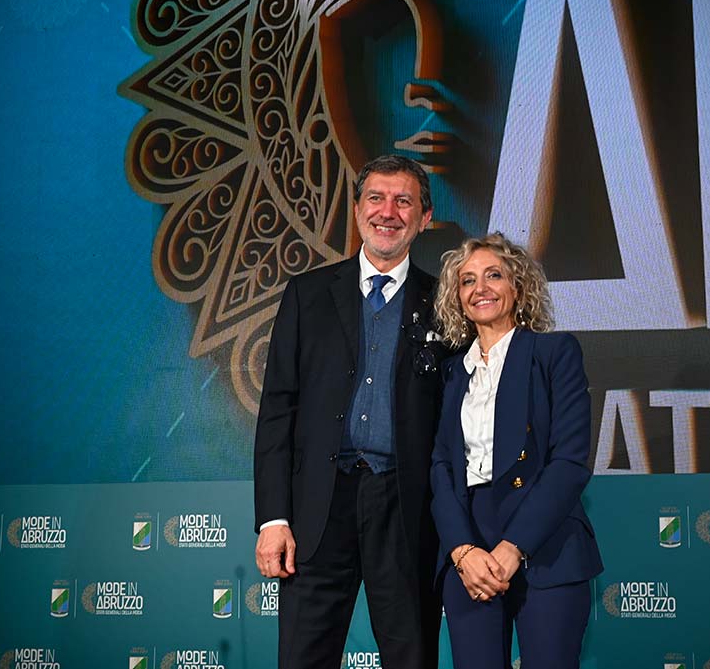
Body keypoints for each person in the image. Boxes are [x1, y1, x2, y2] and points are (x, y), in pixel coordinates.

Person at [253, 155, 446, 669]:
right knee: (303, 658)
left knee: (412, 657)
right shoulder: (307, 294)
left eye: (404, 201)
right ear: (357, 209)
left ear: (424, 218)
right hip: (317, 509)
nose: (388, 212)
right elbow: (277, 410)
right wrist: (273, 518)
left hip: (407, 509)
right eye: (376, 198)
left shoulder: (445, 302)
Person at [430, 233, 604, 669]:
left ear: (518, 287)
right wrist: (461, 551)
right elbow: (441, 468)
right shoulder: (452, 373)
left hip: (547, 544)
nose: (480, 288)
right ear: (458, 298)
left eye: (493, 275)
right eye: (467, 281)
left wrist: (514, 547)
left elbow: (569, 462)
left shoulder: (554, 353)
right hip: (469, 548)